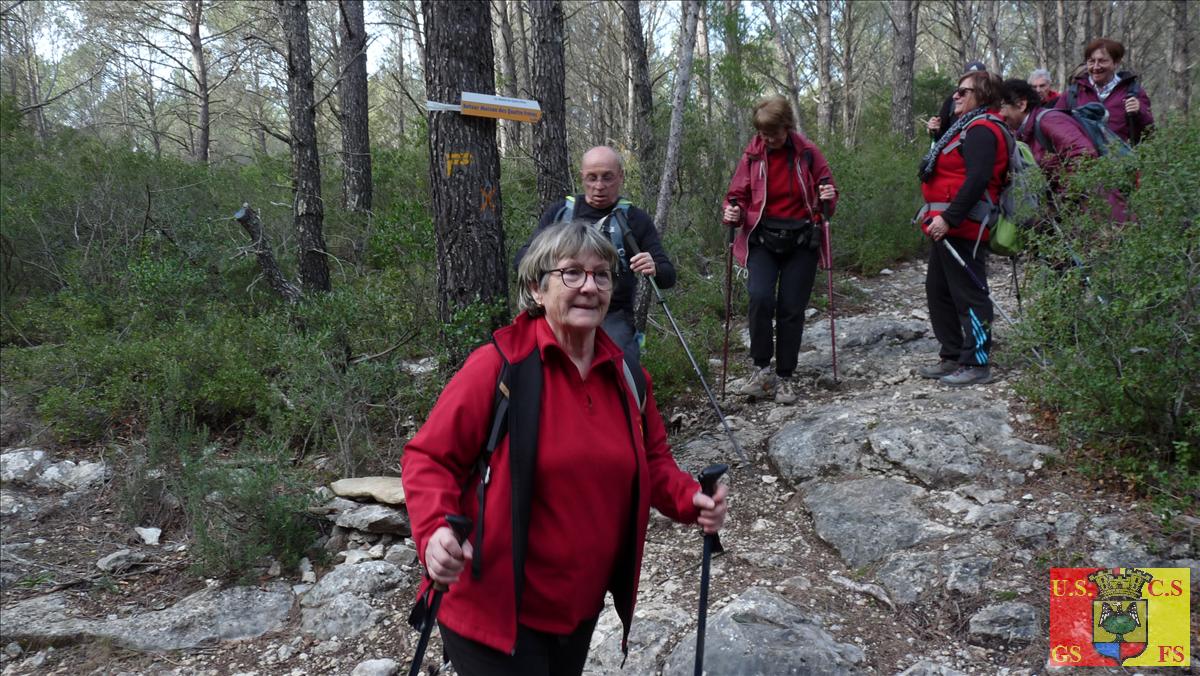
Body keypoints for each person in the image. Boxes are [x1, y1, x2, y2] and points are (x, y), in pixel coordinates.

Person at [403, 222, 728, 676]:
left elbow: (652, 462)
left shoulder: (628, 377)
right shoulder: (499, 368)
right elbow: (428, 457)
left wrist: (690, 499)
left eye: (601, 275)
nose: (589, 287)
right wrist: (435, 529)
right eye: (571, 273)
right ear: (537, 288)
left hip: (577, 611)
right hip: (494, 612)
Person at [515, 146, 676, 374]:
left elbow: (668, 276)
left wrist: (654, 267)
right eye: (592, 178)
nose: (599, 186)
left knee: (625, 371)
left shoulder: (635, 220)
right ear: (582, 177)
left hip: (611, 314)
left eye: (607, 177)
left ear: (620, 176)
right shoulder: (560, 213)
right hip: (559, 311)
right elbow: (523, 259)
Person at [721, 95, 838, 404]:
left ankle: (785, 376)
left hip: (802, 241)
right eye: (762, 132)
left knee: (791, 308)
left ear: (787, 127)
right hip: (763, 239)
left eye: (772, 132)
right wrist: (731, 211)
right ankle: (761, 370)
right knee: (759, 298)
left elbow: (829, 199)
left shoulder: (808, 153)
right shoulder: (752, 155)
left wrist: (827, 196)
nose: (767, 138)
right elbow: (735, 195)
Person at [915, 71, 1009, 387]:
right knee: (938, 290)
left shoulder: (982, 130)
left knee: (970, 293)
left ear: (982, 96)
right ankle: (952, 355)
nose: (955, 96)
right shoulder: (960, 129)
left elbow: (977, 180)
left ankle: (977, 362)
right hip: (946, 227)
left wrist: (950, 218)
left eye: (963, 91)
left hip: (963, 226)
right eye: (956, 91)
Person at [1000, 78, 1127, 224]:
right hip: (1081, 215)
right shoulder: (1024, 133)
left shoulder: (1049, 121)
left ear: (1021, 105)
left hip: (1100, 212)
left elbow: (1083, 155)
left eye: (1003, 106)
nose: (1000, 113)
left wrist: (1061, 201)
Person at [1054, 37, 1153, 144]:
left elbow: (1149, 133)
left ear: (1116, 63)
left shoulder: (1133, 92)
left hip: (1120, 158)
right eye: (1091, 61)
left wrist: (1140, 112)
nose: (1096, 67)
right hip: (1081, 158)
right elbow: (1054, 125)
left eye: (1102, 61)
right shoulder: (1073, 93)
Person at [927, 60, 988, 140]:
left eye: (977, 79)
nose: (956, 97)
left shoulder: (994, 108)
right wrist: (934, 128)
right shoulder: (952, 100)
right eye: (968, 77)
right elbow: (941, 133)